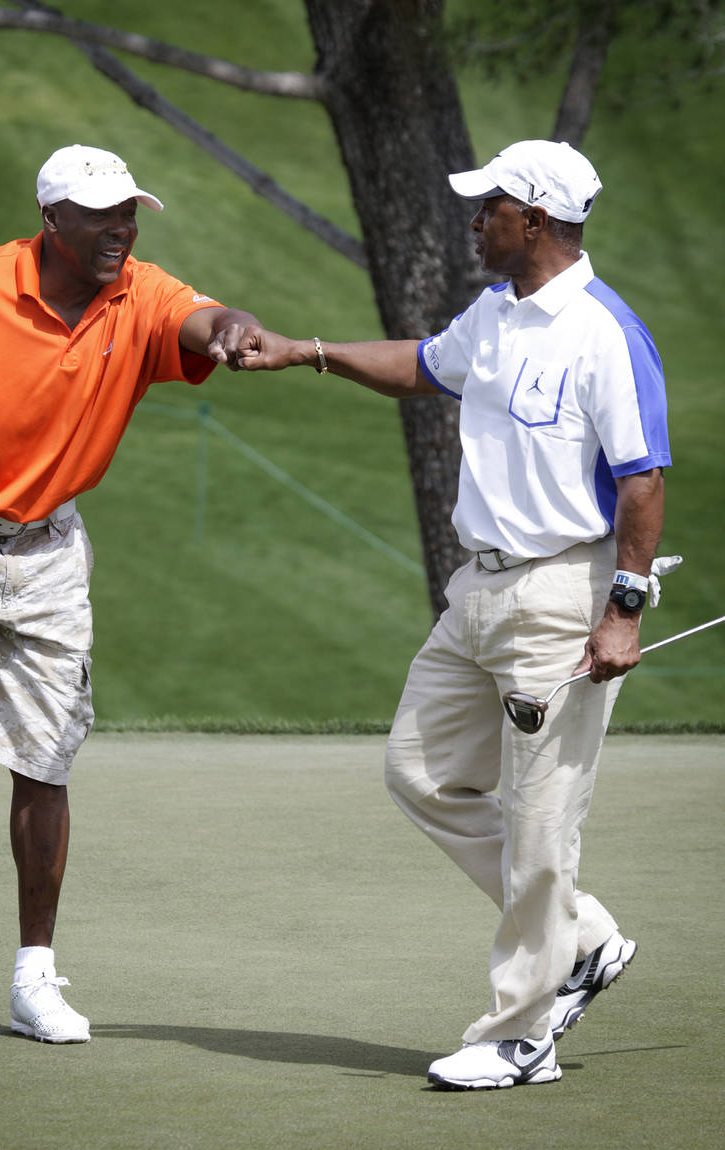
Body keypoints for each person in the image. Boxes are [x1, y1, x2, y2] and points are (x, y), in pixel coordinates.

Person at [235, 140, 672, 1089]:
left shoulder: (604, 332)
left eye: (491, 208)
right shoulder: (497, 313)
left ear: (541, 221)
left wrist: (624, 612)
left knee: (540, 820)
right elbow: (422, 366)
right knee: (419, 772)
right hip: (475, 592)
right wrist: (305, 351)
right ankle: (583, 938)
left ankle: (521, 1036)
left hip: (563, 593)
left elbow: (641, 481)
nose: (475, 221)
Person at [0, 144, 265, 1044]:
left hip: (52, 549)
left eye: (129, 213)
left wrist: (230, 326)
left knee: (46, 758)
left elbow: (202, 316)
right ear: (51, 220)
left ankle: (35, 977)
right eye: (101, 215)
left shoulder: (136, 291)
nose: (121, 230)